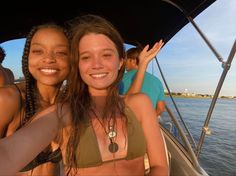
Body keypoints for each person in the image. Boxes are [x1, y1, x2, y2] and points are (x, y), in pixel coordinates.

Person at [0, 14, 169, 176]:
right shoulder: (62, 113)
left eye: (106, 55)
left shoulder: (140, 104)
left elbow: (160, 167)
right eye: (86, 57)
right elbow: (8, 153)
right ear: (77, 64)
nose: (96, 64)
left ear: (120, 61)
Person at [0, 23, 70, 175]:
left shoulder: (69, 105)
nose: (49, 59)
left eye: (61, 52)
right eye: (38, 51)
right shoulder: (8, 99)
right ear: (27, 56)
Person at [120, 45, 166, 117]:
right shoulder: (157, 81)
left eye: (126, 60)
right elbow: (160, 108)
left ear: (133, 61)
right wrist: (148, 119)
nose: (124, 63)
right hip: (147, 124)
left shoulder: (120, 79)